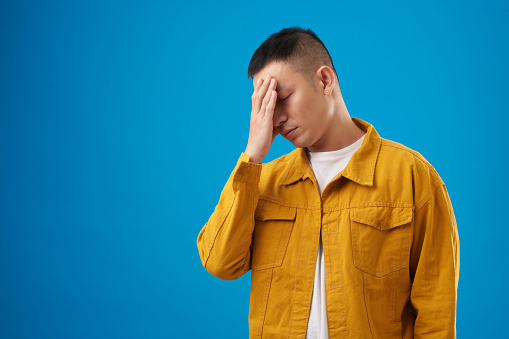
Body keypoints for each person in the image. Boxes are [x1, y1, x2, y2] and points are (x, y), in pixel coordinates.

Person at [196, 26, 460, 338]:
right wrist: (252, 155)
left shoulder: (413, 176)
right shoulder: (263, 181)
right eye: (264, 104)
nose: (275, 117)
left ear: (324, 80)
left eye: (282, 97)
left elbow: (436, 309)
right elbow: (219, 262)